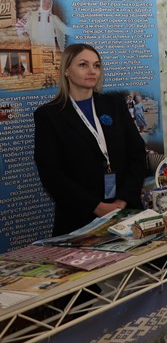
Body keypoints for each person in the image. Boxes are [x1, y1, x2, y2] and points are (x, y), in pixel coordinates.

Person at [34, 43, 147, 237]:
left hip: (125, 212)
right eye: (83, 65)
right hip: (80, 218)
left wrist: (122, 201)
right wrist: (96, 206)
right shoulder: (49, 115)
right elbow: (51, 174)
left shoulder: (114, 105)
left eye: (96, 65)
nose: (92, 71)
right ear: (66, 70)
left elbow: (137, 154)